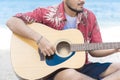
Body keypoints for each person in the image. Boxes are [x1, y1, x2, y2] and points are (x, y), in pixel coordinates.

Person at [6, 0, 120, 80]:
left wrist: (115, 49)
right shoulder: (46, 13)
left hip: (82, 66)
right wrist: (40, 40)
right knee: (70, 75)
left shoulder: (89, 17)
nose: (83, 0)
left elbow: (94, 50)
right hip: (52, 71)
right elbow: (12, 22)